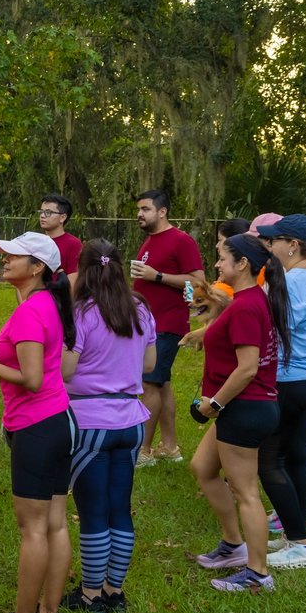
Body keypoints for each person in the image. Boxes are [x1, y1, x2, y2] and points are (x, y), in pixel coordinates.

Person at [0, 232, 75, 613]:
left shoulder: (32, 311)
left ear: (38, 268)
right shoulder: (48, 303)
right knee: (54, 524)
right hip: (59, 421)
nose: (4, 258)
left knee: (33, 530)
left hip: (38, 425)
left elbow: (30, 380)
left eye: (14, 255)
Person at [189, 233, 289, 593]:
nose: (217, 265)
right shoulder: (246, 300)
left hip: (245, 408)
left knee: (246, 492)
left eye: (222, 259)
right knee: (202, 468)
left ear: (242, 264)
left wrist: (213, 404)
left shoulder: (248, 305)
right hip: (243, 407)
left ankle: (258, 574)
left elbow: (247, 368)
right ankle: (233, 546)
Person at [62, 239, 154, 613]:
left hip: (89, 422)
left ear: (83, 272)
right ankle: (114, 590)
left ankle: (90, 594)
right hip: (131, 421)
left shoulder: (81, 313)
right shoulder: (141, 310)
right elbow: (148, 365)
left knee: (93, 512)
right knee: (120, 508)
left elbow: (67, 369)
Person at [256, 214, 306, 571]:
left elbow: (275, 324)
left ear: (292, 245)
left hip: (289, 379)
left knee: (269, 462)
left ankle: (302, 543)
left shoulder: (292, 280)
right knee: (298, 456)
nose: (269, 248)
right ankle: (293, 533)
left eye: (274, 241)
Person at [130, 189, 202, 465]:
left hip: (166, 324)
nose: (140, 214)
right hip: (149, 323)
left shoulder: (180, 241)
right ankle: (170, 447)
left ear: (163, 212)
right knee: (163, 384)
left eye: (146, 209)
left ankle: (143, 451)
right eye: (138, 209)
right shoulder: (150, 240)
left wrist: (156, 276)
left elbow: (196, 281)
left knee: (149, 383)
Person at [38, 194, 83, 279]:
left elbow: (73, 280)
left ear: (62, 217)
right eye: (41, 212)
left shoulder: (73, 244)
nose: (42, 216)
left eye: (48, 212)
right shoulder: (36, 241)